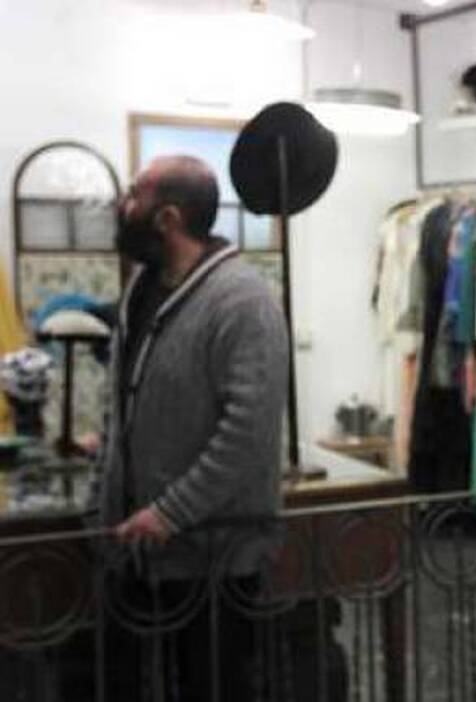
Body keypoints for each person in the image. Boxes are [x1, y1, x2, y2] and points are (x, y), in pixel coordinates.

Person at [93, 155, 289, 700]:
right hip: (137, 551)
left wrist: (170, 512)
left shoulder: (242, 301)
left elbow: (247, 432)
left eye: (135, 194)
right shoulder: (143, 287)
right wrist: (100, 500)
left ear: (168, 218)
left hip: (214, 559)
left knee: (215, 686)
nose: (122, 205)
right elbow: (120, 400)